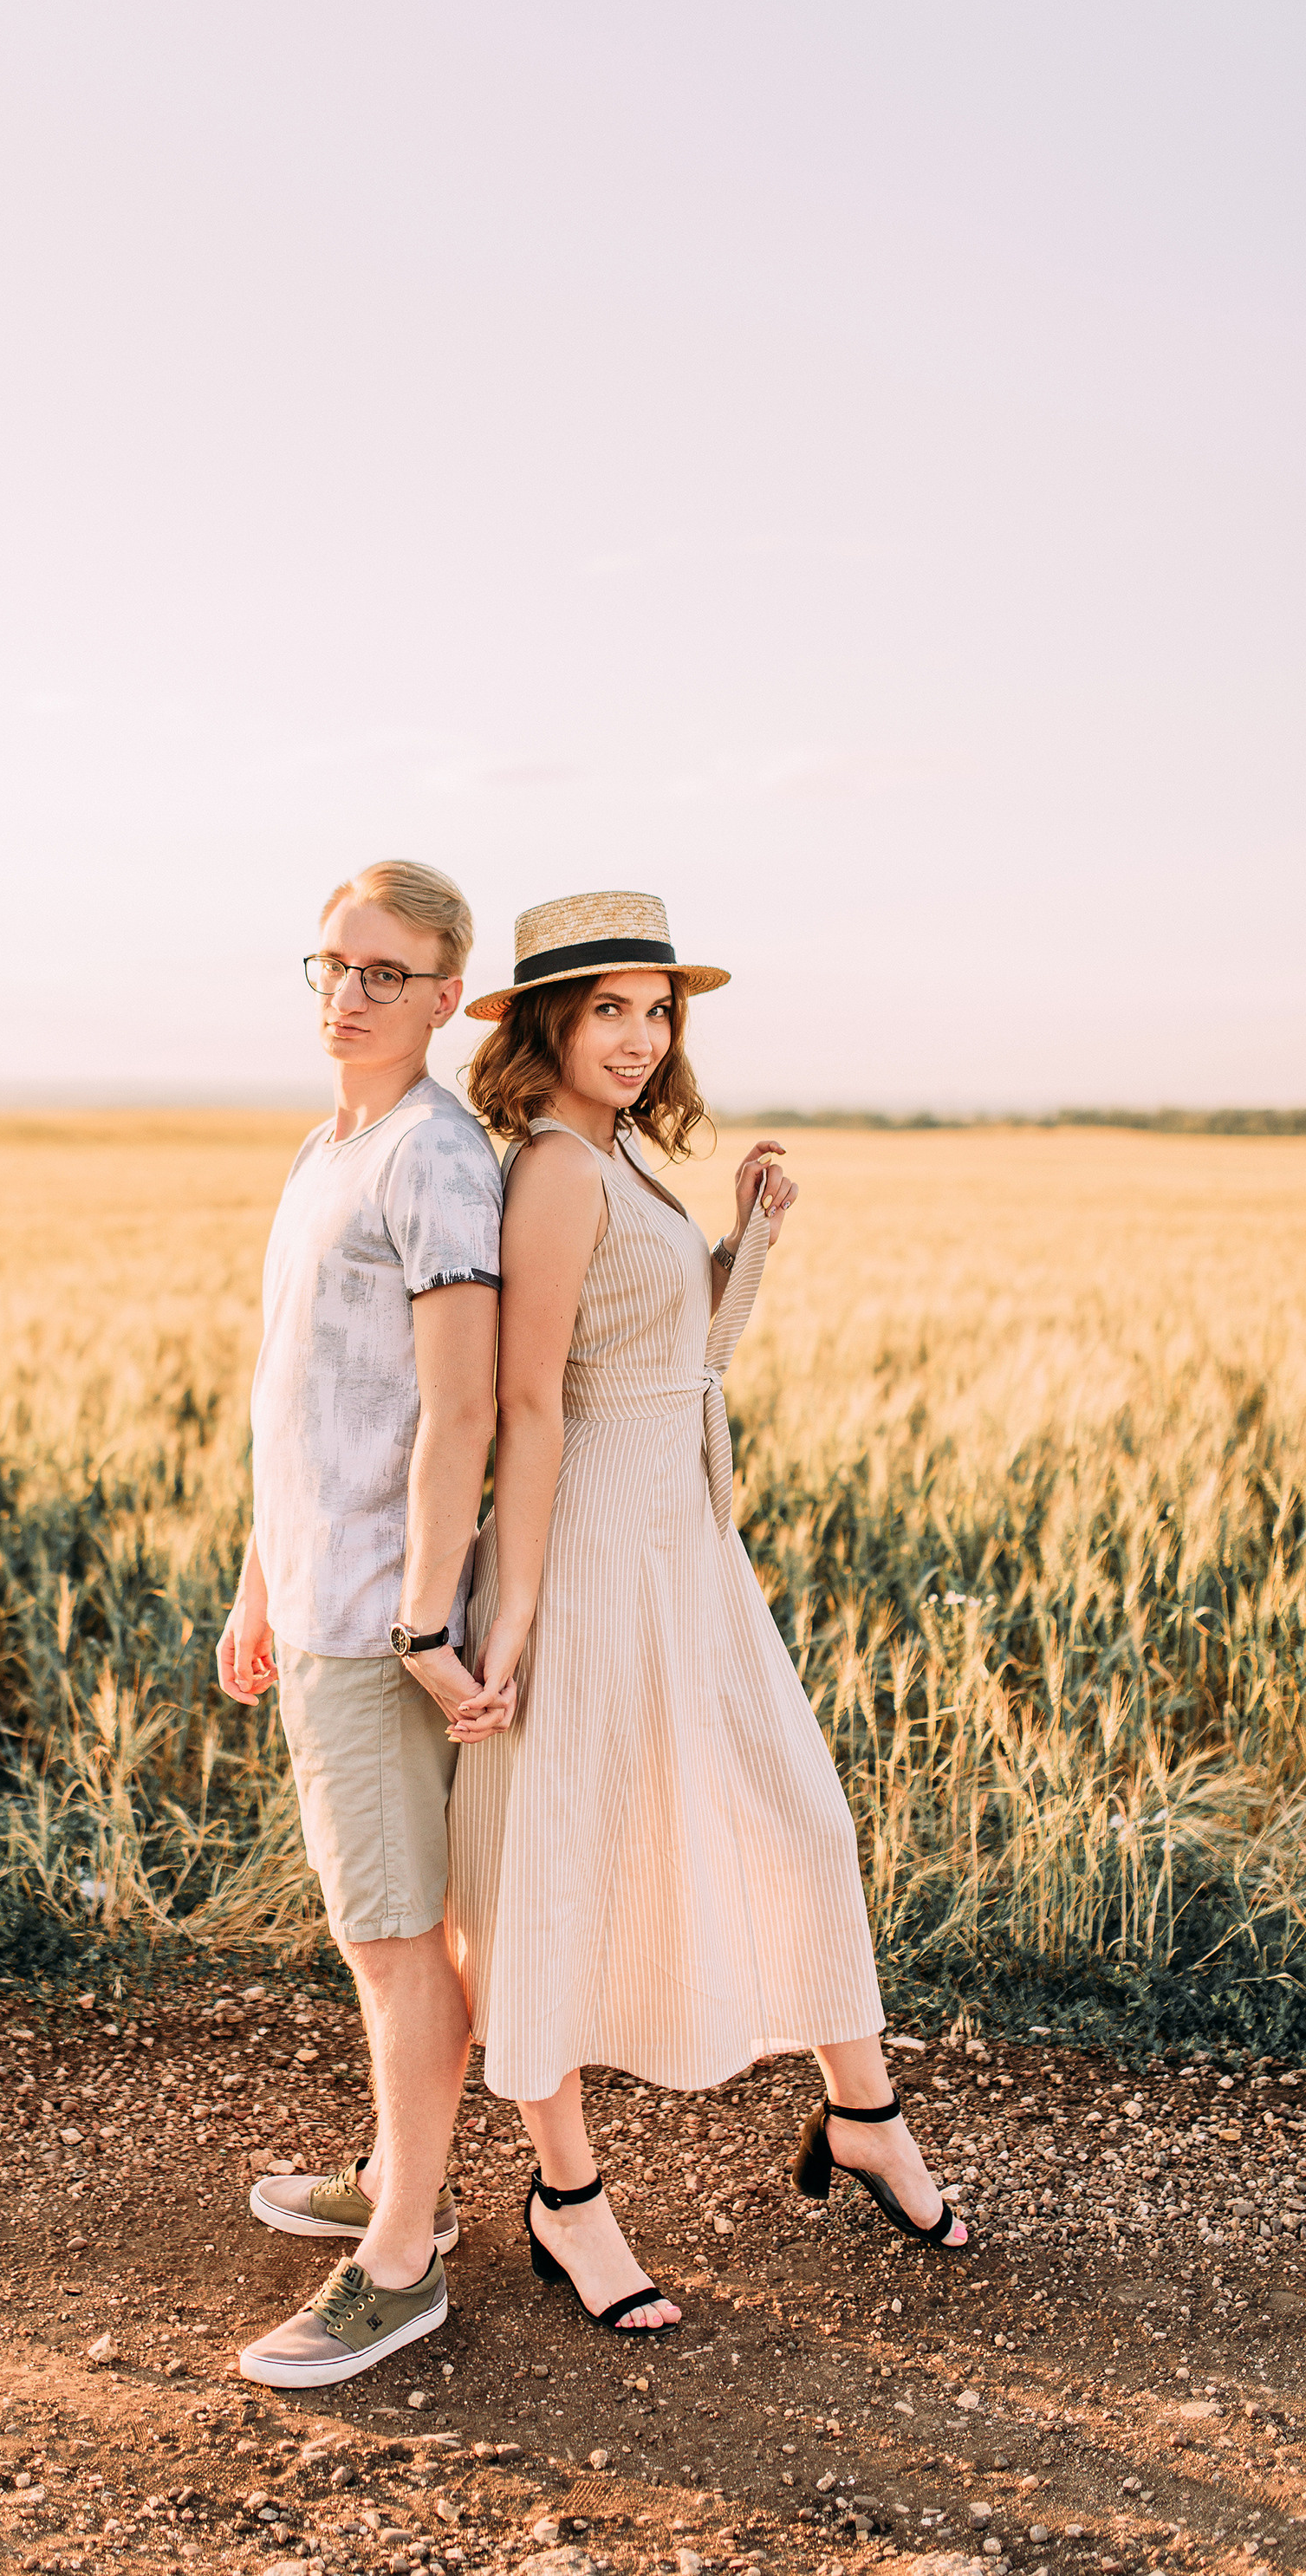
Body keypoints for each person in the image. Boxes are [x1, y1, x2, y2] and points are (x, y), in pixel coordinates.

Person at [445, 888, 966, 2338]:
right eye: (606, 1006)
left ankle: (863, 2113)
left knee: (797, 1812)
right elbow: (535, 1397)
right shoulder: (553, 1167)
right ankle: (567, 2200)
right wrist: (524, 1602)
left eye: (656, 1007)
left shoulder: (622, 1160)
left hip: (681, 1544)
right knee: (551, 1858)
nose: (637, 1034)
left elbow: (673, 1360)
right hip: (594, 1552)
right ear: (546, 1021)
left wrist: (747, 1242)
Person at [217, 859, 510, 2390]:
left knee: (395, 1934)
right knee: (380, 1921)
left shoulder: (434, 1158)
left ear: (445, 996)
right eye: (331, 963)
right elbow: (304, 1393)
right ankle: (413, 2175)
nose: (347, 992)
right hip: (317, 1589)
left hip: (383, 1613)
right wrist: (259, 1573)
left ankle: (399, 2258)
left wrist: (413, 1620)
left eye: (383, 972)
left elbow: (459, 1405)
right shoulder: (326, 1146)